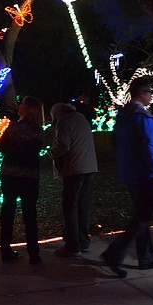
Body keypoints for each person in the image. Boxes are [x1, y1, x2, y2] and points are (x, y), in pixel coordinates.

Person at [100, 80, 153, 277]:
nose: (151, 96)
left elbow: (115, 142)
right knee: (142, 218)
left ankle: (147, 256)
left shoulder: (124, 116)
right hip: (145, 175)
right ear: (142, 93)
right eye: (150, 92)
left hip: (130, 173)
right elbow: (152, 148)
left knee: (143, 216)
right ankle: (116, 253)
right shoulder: (143, 118)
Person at [0, 95, 45, 265]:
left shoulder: (13, 128)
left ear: (27, 109)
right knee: (30, 214)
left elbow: (0, 147)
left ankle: (6, 251)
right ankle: (34, 254)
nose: (19, 106)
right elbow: (39, 148)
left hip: (10, 173)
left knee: (8, 211)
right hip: (30, 175)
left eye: (22, 104)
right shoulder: (39, 131)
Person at [50, 102, 98, 257]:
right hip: (90, 167)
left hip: (74, 169)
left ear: (57, 113)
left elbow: (63, 145)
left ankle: (73, 245)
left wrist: (52, 153)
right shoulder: (81, 118)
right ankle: (83, 241)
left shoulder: (64, 121)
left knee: (70, 206)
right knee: (84, 206)